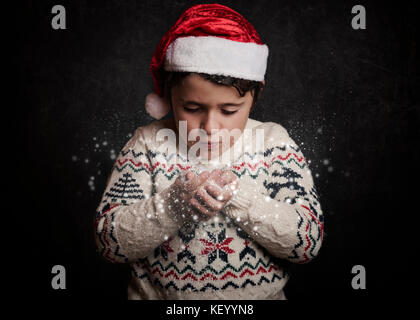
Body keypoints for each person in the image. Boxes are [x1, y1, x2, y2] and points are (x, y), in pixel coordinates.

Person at [94, 3, 324, 300]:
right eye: (192, 108)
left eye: (229, 110)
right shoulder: (148, 144)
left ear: (256, 96)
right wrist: (175, 204)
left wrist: (236, 197)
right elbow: (108, 244)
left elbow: (307, 243)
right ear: (168, 96)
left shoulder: (273, 144)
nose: (210, 127)